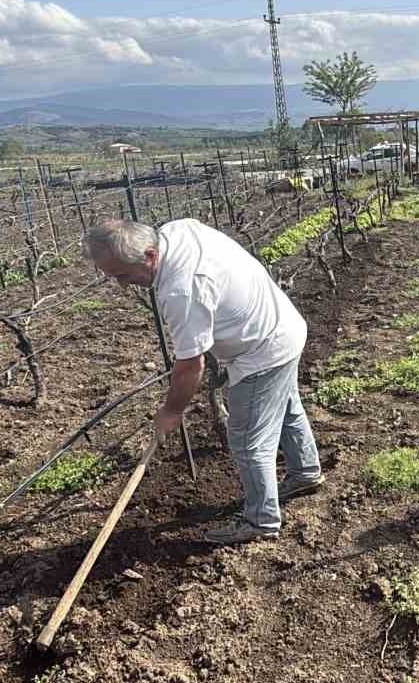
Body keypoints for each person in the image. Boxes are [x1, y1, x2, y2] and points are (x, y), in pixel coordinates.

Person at [82, 217, 324, 545]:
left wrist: (171, 412)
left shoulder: (182, 290)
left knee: (248, 441)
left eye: (123, 275)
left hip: (263, 350)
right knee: (286, 405)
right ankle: (306, 474)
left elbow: (190, 366)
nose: (122, 285)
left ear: (150, 256)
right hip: (282, 323)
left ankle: (261, 521)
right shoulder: (178, 230)